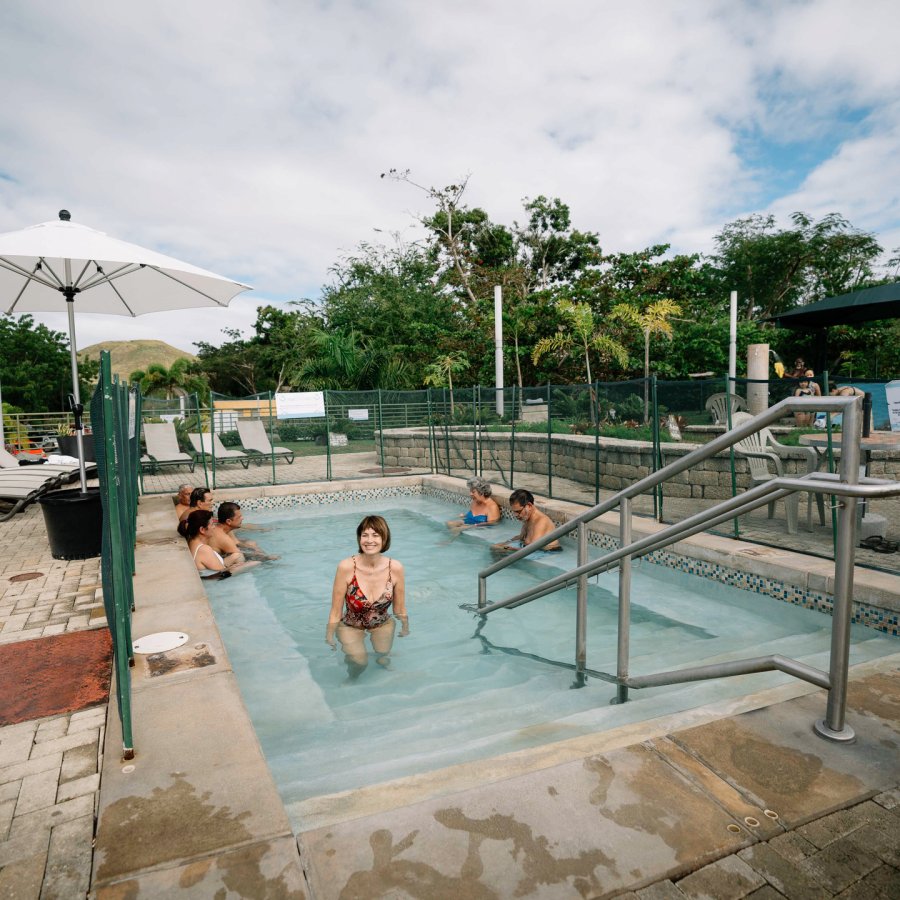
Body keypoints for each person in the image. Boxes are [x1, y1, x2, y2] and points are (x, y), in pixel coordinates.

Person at [326, 515, 408, 678]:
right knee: (359, 662)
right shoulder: (346, 567)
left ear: (384, 539)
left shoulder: (396, 568)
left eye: (375, 535)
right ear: (359, 539)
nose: (369, 540)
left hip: (382, 623)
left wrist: (405, 626)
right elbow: (336, 611)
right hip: (351, 625)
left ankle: (383, 663)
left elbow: (399, 607)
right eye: (365, 535)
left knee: (382, 655)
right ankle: (352, 677)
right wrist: (329, 635)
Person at [182, 509, 259, 579]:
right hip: (214, 579)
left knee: (237, 555)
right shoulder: (204, 549)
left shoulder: (192, 540)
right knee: (255, 563)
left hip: (213, 571)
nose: (214, 527)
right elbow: (221, 574)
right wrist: (233, 568)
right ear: (202, 530)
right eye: (212, 524)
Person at [492, 489, 561, 552]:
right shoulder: (527, 519)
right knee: (495, 549)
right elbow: (521, 537)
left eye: (518, 511)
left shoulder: (541, 522)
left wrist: (507, 548)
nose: (515, 515)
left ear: (529, 506)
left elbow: (532, 549)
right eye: (514, 512)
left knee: (501, 552)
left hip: (548, 554)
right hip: (535, 552)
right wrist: (506, 543)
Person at [208, 501, 278, 562]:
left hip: (223, 554)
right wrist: (267, 557)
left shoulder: (223, 529)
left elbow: (236, 542)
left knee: (251, 543)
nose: (242, 518)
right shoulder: (223, 538)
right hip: (217, 564)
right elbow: (241, 553)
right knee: (240, 557)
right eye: (239, 517)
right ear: (228, 521)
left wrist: (254, 548)